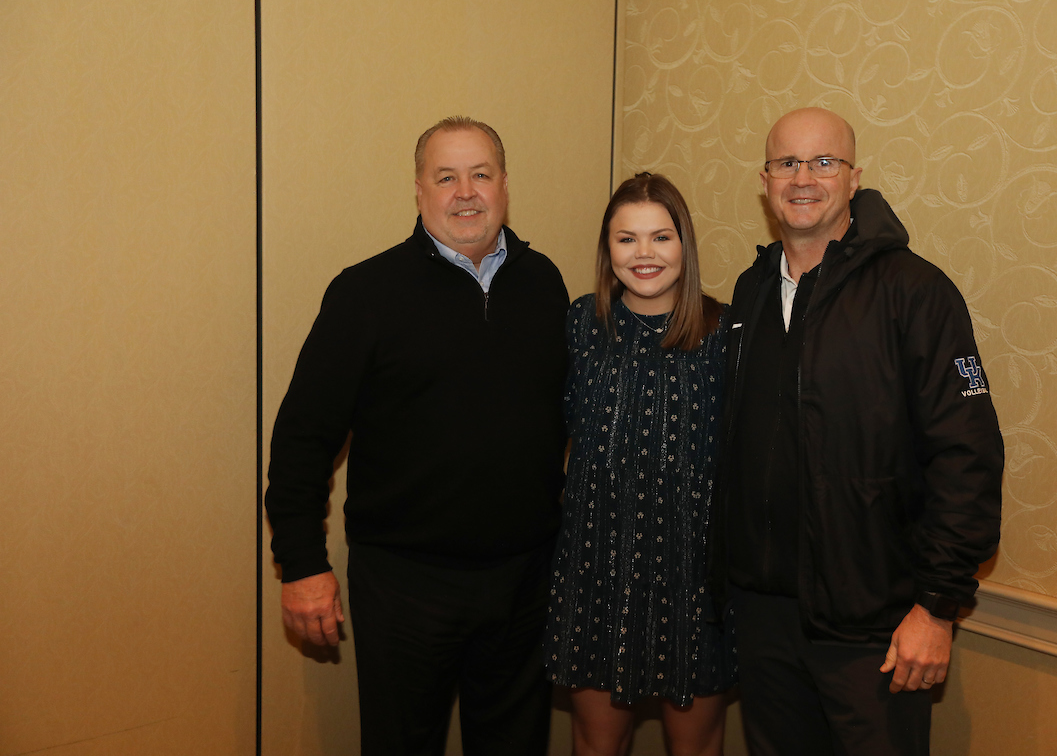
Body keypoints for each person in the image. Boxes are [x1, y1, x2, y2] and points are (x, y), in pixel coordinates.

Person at [264, 116, 569, 756]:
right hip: (405, 586)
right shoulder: (364, 293)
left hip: (525, 583)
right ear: (420, 190)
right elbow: (302, 439)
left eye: (480, 174)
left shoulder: (544, 283)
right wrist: (303, 563)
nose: (466, 192)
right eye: (446, 177)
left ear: (504, 185)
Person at [709, 108, 1004, 756]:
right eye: (787, 162)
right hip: (763, 620)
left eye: (824, 162)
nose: (803, 178)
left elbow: (968, 455)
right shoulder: (751, 291)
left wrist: (937, 607)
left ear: (854, 177)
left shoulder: (915, 292)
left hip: (874, 628)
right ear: (764, 181)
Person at [545, 173, 736, 756]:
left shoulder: (726, 332)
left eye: (661, 237)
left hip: (693, 580)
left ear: (685, 245)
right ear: (607, 248)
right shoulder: (581, 323)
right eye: (626, 239)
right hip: (596, 573)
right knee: (596, 745)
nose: (644, 253)